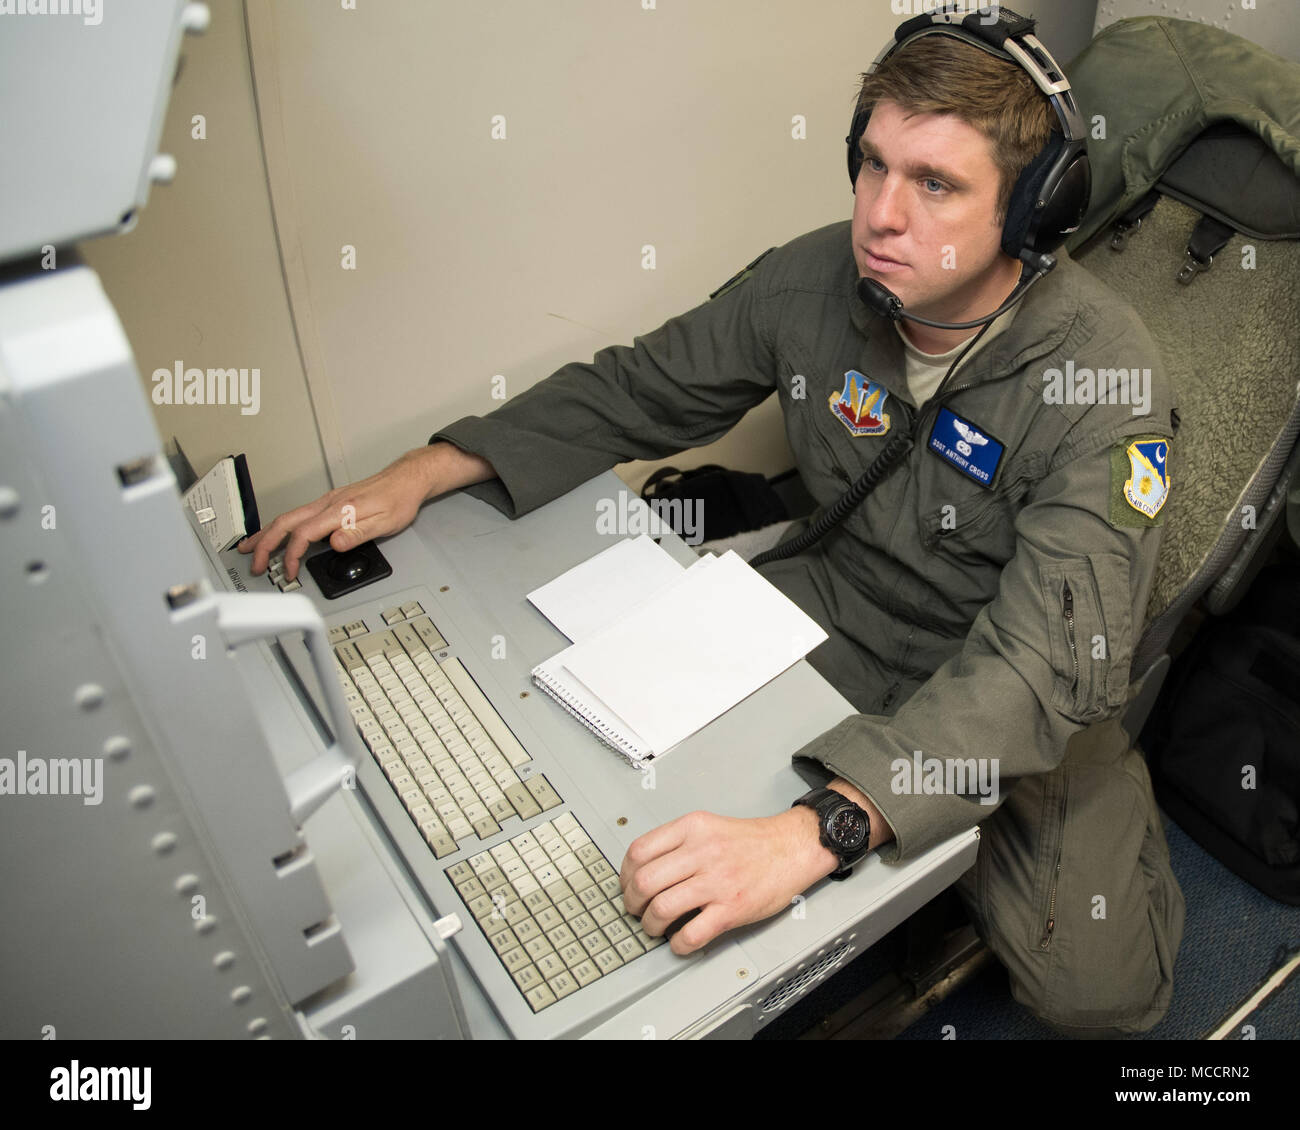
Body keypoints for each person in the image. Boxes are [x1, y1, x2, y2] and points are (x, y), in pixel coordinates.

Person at [240, 26, 1185, 1037]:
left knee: (1100, 994)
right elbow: (640, 387)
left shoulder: (1102, 386)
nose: (880, 214)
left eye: (934, 185)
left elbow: (1042, 666)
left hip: (1007, 677)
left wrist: (822, 826)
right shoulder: (820, 279)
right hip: (836, 599)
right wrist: (430, 467)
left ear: (1034, 211)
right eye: (870, 163)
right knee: (615, 789)